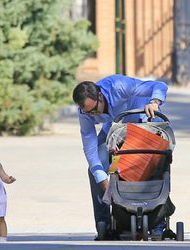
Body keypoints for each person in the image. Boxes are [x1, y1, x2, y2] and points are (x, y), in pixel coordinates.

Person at [72, 74, 169, 240]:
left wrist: (154, 102)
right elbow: (89, 144)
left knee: (156, 162)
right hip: (115, 132)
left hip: (142, 125)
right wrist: (102, 178)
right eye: (89, 113)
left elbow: (159, 85)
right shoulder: (85, 111)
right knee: (95, 169)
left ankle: (158, 221)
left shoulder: (118, 85)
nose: (93, 115)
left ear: (100, 96)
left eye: (94, 110)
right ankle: (105, 225)